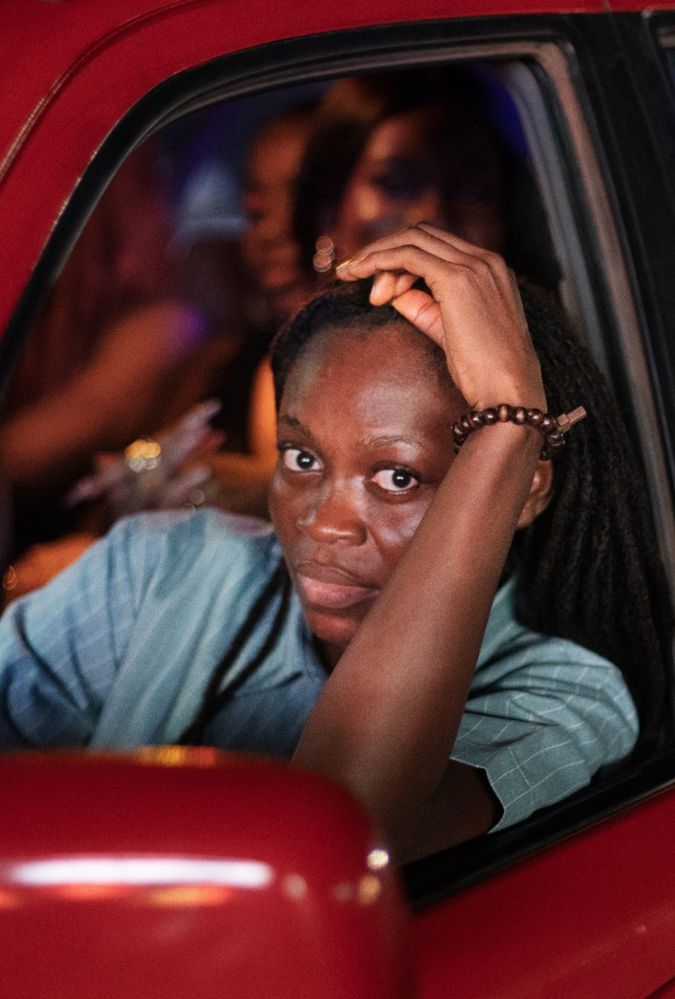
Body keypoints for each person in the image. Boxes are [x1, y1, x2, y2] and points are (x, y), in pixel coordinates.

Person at [0, 225, 670, 863]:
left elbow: (345, 835)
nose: (324, 523)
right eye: (300, 458)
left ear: (518, 489)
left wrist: (509, 423)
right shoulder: (160, 568)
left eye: (396, 476)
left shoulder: (562, 691)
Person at [294, 67, 560, 292]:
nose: (435, 217)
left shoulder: (543, 347)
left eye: (473, 193)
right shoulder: (298, 353)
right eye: (395, 186)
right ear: (327, 208)